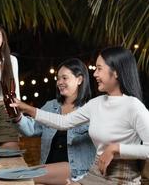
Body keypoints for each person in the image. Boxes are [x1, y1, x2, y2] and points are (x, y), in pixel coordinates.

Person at [11, 47, 149, 184]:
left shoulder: (133, 106)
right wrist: (26, 108)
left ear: (116, 72)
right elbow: (63, 122)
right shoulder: (96, 103)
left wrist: (116, 148)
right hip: (95, 172)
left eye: (99, 68)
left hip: (120, 176)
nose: (94, 74)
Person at [15, 58, 96, 184]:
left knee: (19, 175)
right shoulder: (51, 106)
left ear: (79, 80)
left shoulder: (91, 109)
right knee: (19, 175)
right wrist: (17, 117)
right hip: (48, 170)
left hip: (76, 173)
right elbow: (31, 129)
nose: (59, 82)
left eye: (64, 78)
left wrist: (27, 107)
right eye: (58, 78)